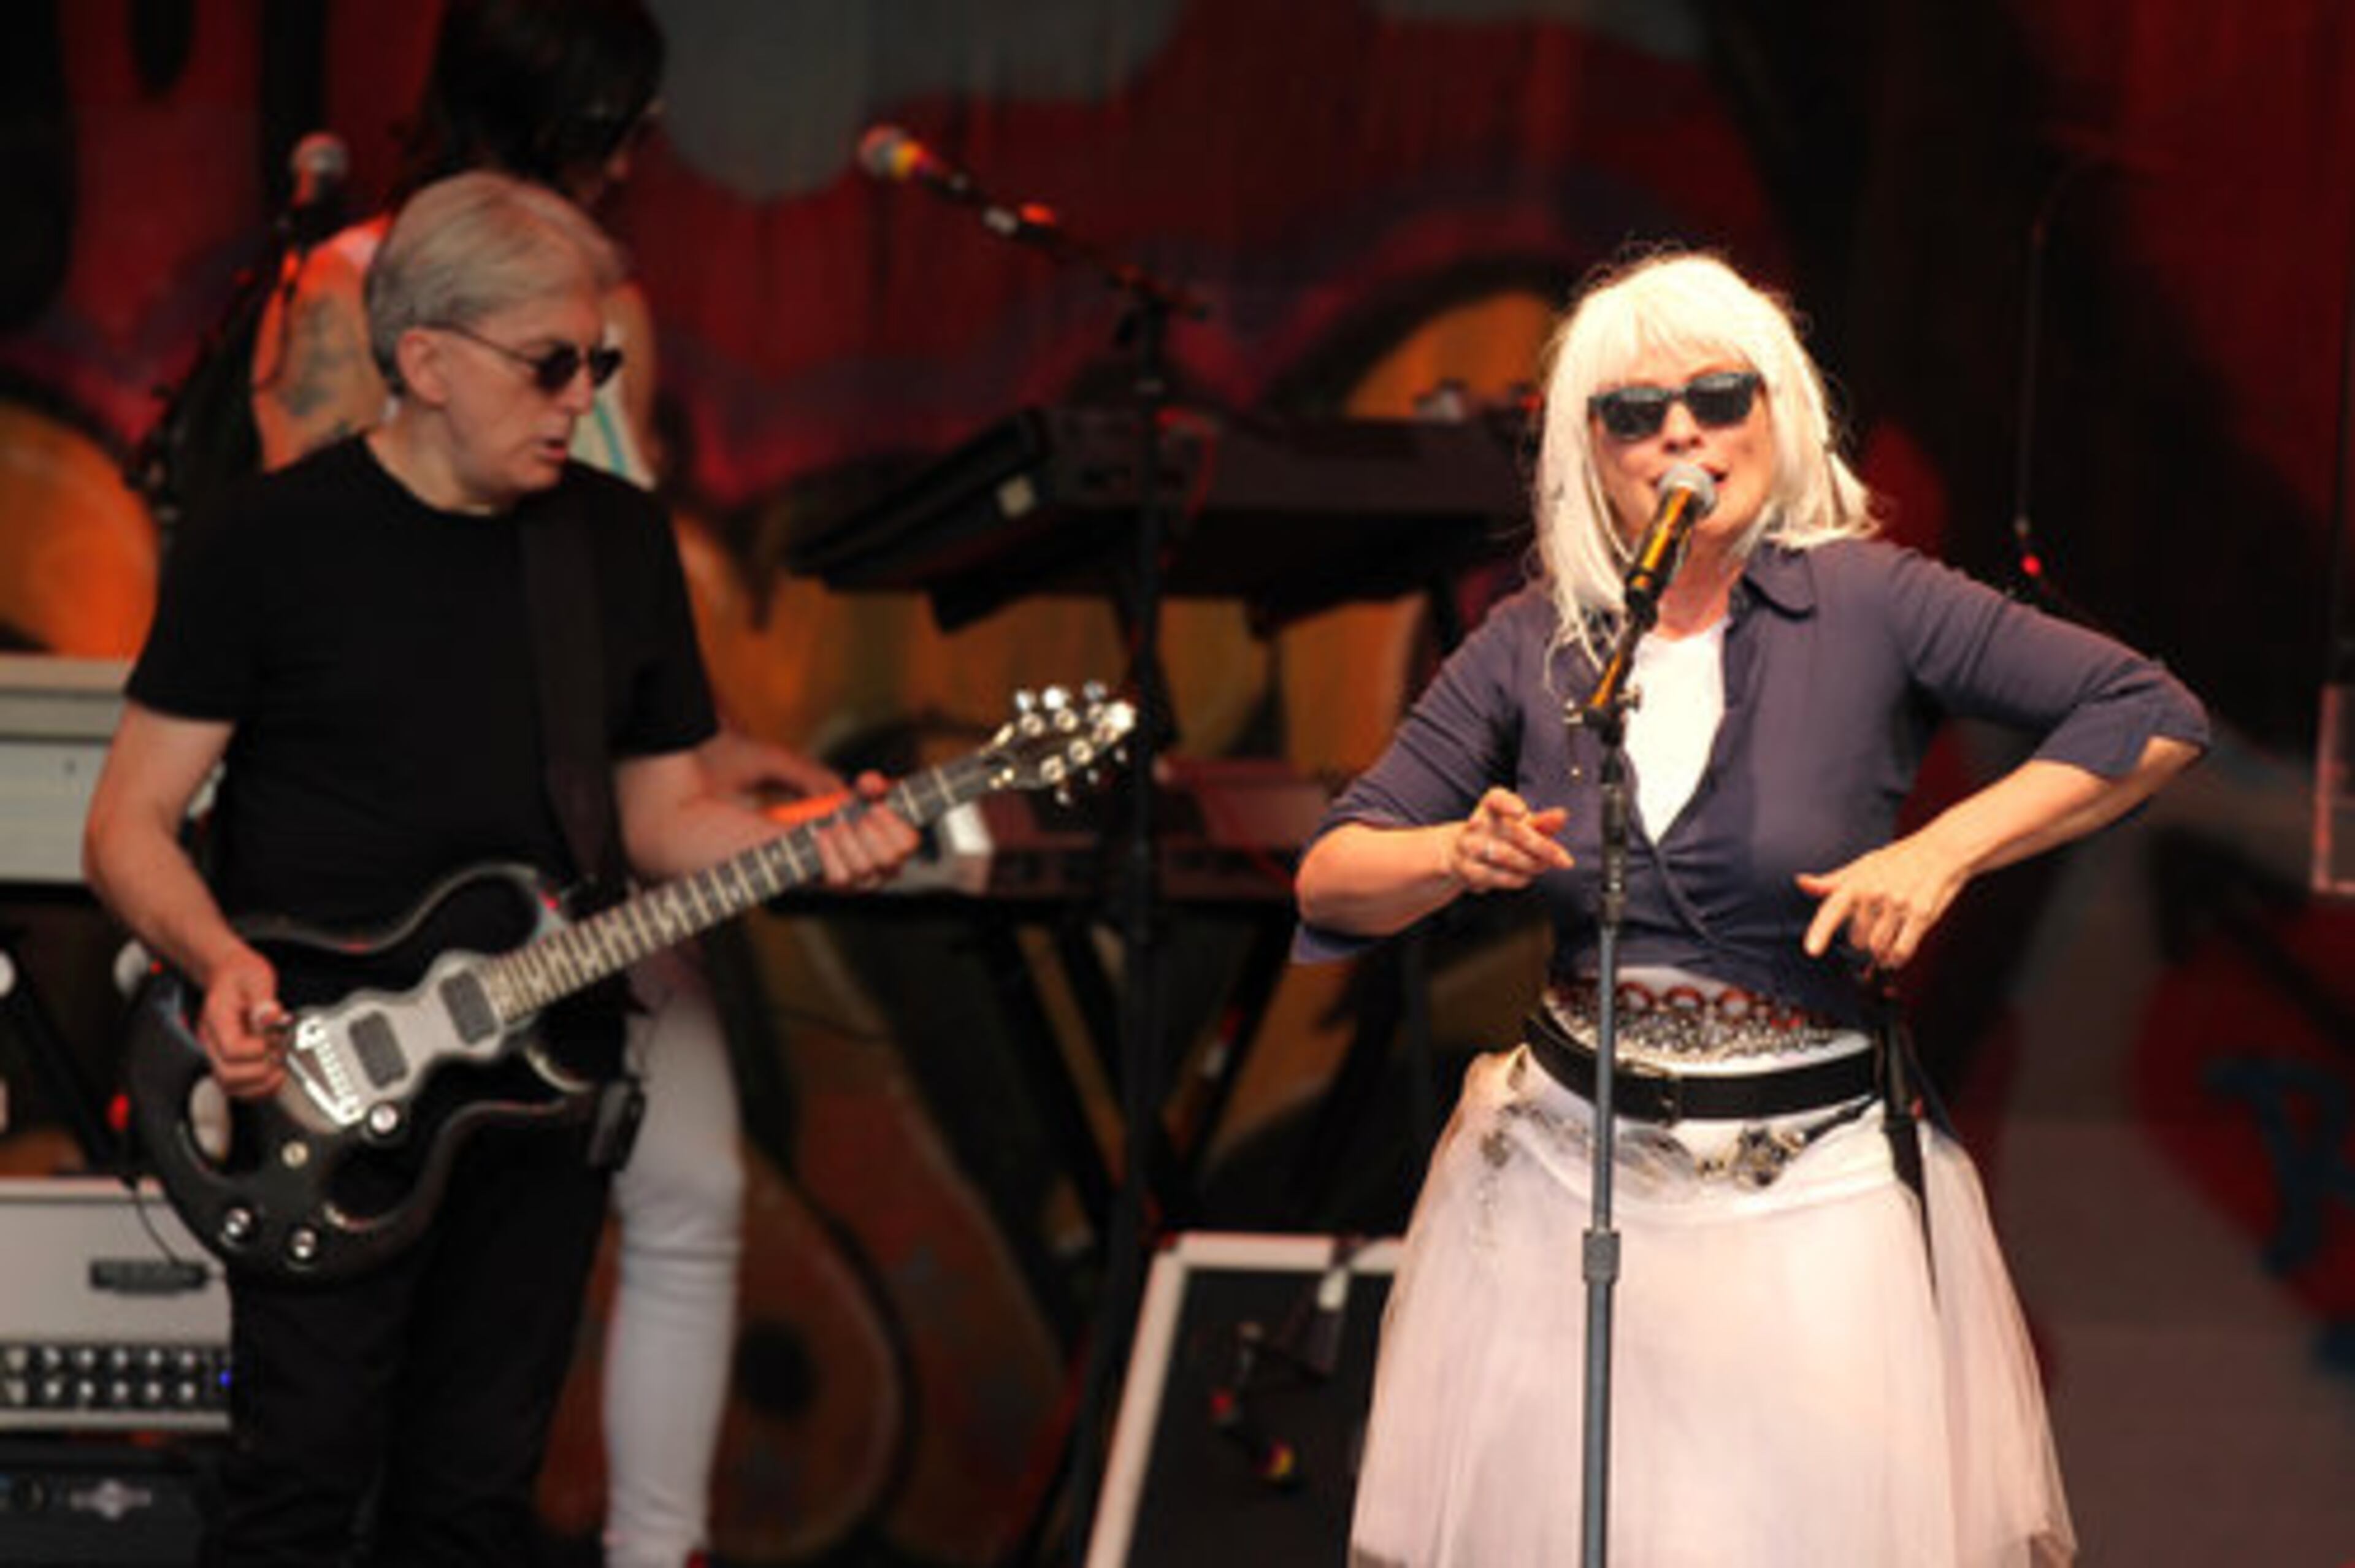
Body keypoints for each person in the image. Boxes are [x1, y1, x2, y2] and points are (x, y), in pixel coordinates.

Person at [1293, 250, 2207, 1566]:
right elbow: (1334, 874)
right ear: (1587, 451)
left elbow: (2150, 715)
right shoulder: (1538, 642)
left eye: (1722, 397)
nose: (1681, 430)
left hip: (1808, 1193)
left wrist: (1942, 850)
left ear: (1778, 417)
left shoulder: (1874, 601)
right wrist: (1451, 849)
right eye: (1634, 410)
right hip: (1564, 1177)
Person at [83, 170, 917, 1566]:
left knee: (471, 1501)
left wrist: (809, 847)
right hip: (321, 1077)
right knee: (300, 1481)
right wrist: (220, 961)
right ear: (423, 361)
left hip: (539, 1075)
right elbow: (127, 821)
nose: (581, 395)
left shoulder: (612, 543)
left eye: (600, 363)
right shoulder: (270, 543)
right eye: (549, 364)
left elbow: (662, 823)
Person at [249, 7, 828, 1563]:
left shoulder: (597, 295)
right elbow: (350, 555)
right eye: (620, 119)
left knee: (690, 1178)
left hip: (603, 830)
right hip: (430, 886)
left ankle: (654, 1547)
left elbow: (616, 600)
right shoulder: (353, 281)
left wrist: (715, 769)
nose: (641, 154)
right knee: (401, 1289)